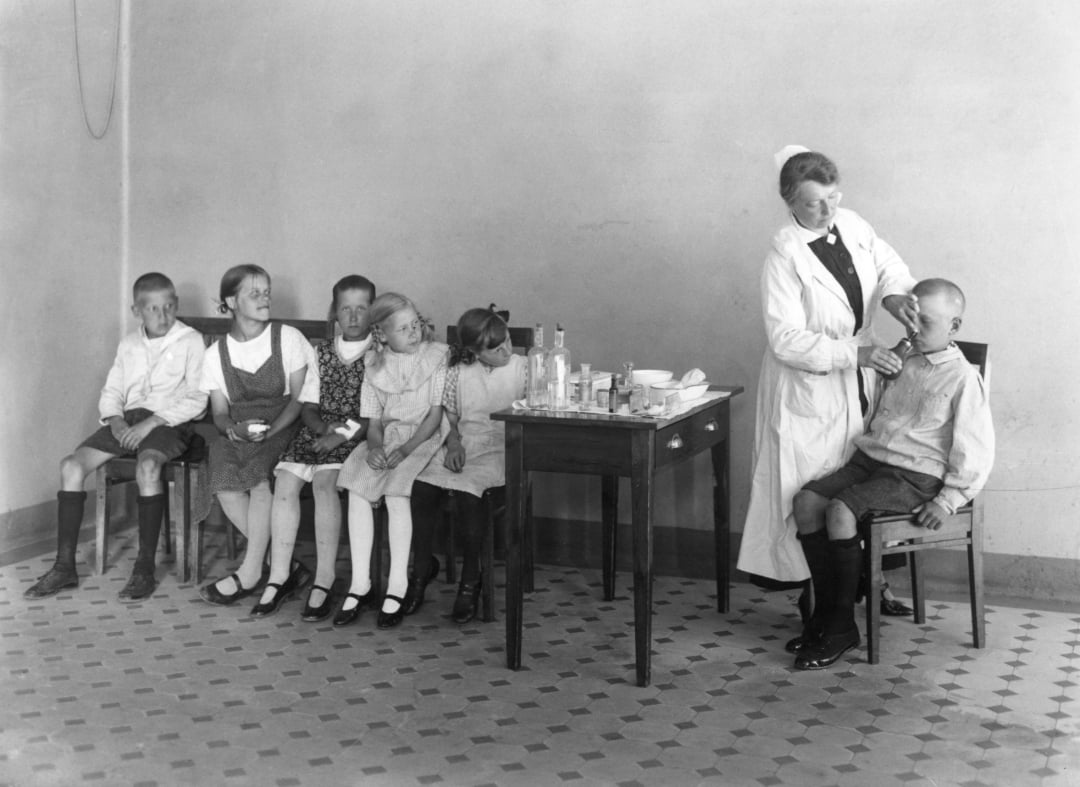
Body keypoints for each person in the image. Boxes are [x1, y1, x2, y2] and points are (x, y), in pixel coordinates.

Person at [736, 147, 921, 616]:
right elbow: (785, 339)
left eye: (833, 197)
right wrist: (853, 354)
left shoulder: (853, 225)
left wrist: (897, 297)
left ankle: (869, 582)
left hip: (858, 379)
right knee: (813, 491)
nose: (827, 210)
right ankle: (818, 598)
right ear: (790, 202)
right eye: (815, 202)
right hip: (809, 388)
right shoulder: (784, 254)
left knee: (857, 483)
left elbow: (889, 266)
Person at [789, 278, 994, 669]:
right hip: (873, 463)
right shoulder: (902, 361)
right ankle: (826, 614)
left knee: (840, 511)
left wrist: (948, 500)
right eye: (911, 320)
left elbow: (976, 449)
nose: (914, 331)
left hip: (917, 478)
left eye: (928, 323)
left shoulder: (964, 378)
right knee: (806, 501)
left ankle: (841, 626)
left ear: (954, 327)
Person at [24, 273, 207, 601]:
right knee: (70, 466)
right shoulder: (129, 343)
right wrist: (116, 421)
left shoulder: (191, 340)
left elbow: (197, 399)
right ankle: (64, 566)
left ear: (176, 304)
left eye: (168, 307)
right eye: (153, 309)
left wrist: (150, 424)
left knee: (148, 466)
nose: (162, 316)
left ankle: (144, 569)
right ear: (137, 311)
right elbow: (112, 392)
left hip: (169, 423)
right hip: (128, 422)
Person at [249, 275, 377, 620]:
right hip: (318, 431)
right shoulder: (322, 352)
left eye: (361, 309)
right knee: (286, 485)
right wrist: (321, 429)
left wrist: (337, 436)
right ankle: (279, 576)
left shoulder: (380, 353)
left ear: (373, 312)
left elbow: (373, 414)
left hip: (356, 435)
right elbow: (307, 403)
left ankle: (324, 577)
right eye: (345, 309)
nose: (352, 317)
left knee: (324, 485)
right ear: (335, 311)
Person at [198, 265, 313, 606]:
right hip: (240, 431)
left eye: (267, 291)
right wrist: (234, 431)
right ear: (232, 301)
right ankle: (285, 564)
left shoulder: (287, 338)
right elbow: (219, 412)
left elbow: (300, 398)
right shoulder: (215, 355)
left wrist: (272, 431)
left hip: (287, 425)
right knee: (223, 478)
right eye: (254, 293)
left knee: (260, 479)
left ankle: (249, 573)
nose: (265, 298)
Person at [335, 293, 447, 629]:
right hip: (388, 438)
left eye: (415, 324)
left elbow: (434, 415)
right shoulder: (374, 364)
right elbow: (374, 423)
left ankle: (397, 585)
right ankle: (361, 584)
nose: (414, 333)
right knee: (357, 487)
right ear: (382, 335)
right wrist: (374, 448)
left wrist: (408, 448)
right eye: (403, 329)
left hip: (423, 439)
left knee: (399, 493)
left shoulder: (436, 356)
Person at [408, 307, 527, 624]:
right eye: (494, 348)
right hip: (465, 444)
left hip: (503, 447)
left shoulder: (523, 369)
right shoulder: (459, 371)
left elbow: (536, 409)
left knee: (467, 491)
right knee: (421, 485)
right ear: (475, 350)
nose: (506, 351)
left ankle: (472, 579)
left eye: (508, 341)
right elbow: (450, 416)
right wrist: (454, 443)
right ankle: (420, 570)